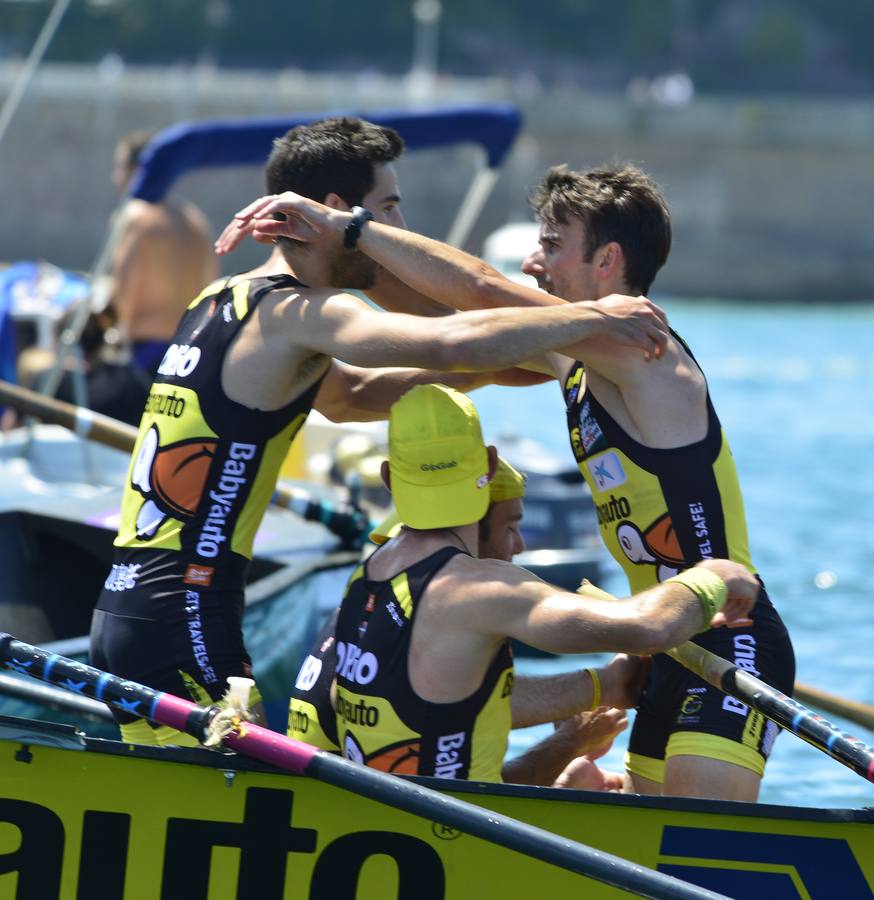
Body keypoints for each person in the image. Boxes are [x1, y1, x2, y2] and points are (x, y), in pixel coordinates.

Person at [219, 164, 796, 802]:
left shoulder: (643, 350)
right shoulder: (571, 352)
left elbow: (481, 287)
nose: (531, 262)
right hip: (665, 642)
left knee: (695, 844)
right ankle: (596, 788)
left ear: (607, 260)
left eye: (551, 244)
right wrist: (323, 260)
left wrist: (349, 228)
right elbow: (447, 314)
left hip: (730, 633)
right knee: (647, 838)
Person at [92, 116, 671, 746]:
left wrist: (505, 368)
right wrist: (591, 320)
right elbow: (448, 341)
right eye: (387, 209)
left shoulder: (219, 298)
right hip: (188, 614)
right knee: (241, 796)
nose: (396, 228)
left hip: (128, 606)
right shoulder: (300, 311)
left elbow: (351, 397)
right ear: (334, 211)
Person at [312, 384, 760, 785]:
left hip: (389, 812)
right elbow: (648, 628)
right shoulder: (485, 589)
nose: (519, 545)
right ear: (490, 464)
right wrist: (714, 576)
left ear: (389, 478)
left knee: (581, 780)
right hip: (464, 832)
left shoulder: (366, 576)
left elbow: (450, 699)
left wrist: (604, 685)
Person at [289, 455, 632, 787]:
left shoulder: (370, 609)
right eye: (510, 528)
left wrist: (583, 700)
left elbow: (467, 712)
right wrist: (569, 744)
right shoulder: (427, 620)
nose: (519, 546)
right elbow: (465, 804)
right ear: (467, 529)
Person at [108, 131, 220, 374]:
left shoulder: (134, 216)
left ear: (137, 170)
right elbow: (210, 285)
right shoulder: (196, 219)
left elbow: (125, 286)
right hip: (188, 349)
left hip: (145, 349)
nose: (116, 176)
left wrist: (120, 338)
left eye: (120, 167)